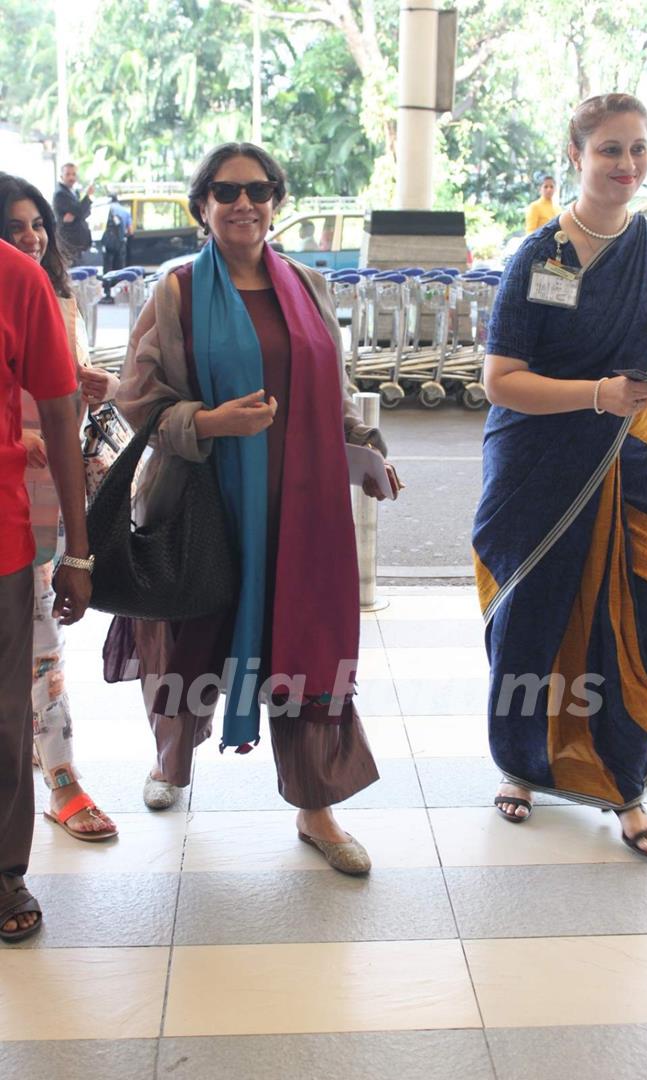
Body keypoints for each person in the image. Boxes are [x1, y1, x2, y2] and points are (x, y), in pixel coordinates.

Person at [106, 141, 399, 874]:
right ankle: (173, 762)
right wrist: (208, 424)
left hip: (304, 513)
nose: (245, 204)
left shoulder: (306, 284)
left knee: (305, 649)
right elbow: (135, 401)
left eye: (260, 190)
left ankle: (317, 807)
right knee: (191, 643)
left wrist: (362, 446)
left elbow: (328, 388)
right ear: (201, 204)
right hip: (205, 507)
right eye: (228, 191)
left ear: (276, 202)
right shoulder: (174, 293)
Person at [472, 94, 647, 857]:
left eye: (639, 149)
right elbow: (500, 379)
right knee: (533, 614)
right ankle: (521, 764)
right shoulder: (541, 257)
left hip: (631, 455)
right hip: (538, 460)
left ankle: (625, 780)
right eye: (610, 149)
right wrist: (596, 395)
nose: (628, 165)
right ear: (575, 156)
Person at [0, 174, 118, 843]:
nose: (32, 236)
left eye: (37, 223)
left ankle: (61, 779)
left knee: (40, 650)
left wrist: (78, 547)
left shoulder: (48, 294)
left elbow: (60, 395)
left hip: (32, 506)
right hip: (26, 476)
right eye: (15, 226)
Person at [0, 236, 93, 942]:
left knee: (4, 718)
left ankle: (4, 871)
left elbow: (62, 412)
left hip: (1, 539)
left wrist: (79, 553)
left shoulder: (16, 276)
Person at [52, 162, 94, 266]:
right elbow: (79, 211)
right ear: (62, 176)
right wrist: (87, 197)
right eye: (68, 174)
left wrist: (77, 214)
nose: (71, 177)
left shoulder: (74, 193)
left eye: (74, 174)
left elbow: (84, 213)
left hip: (79, 244)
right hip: (70, 244)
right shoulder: (60, 194)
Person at [101, 192, 132, 275]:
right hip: (120, 243)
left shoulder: (106, 210)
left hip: (108, 244)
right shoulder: (125, 211)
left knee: (108, 267)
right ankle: (118, 284)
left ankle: (108, 285)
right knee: (120, 268)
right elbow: (130, 231)